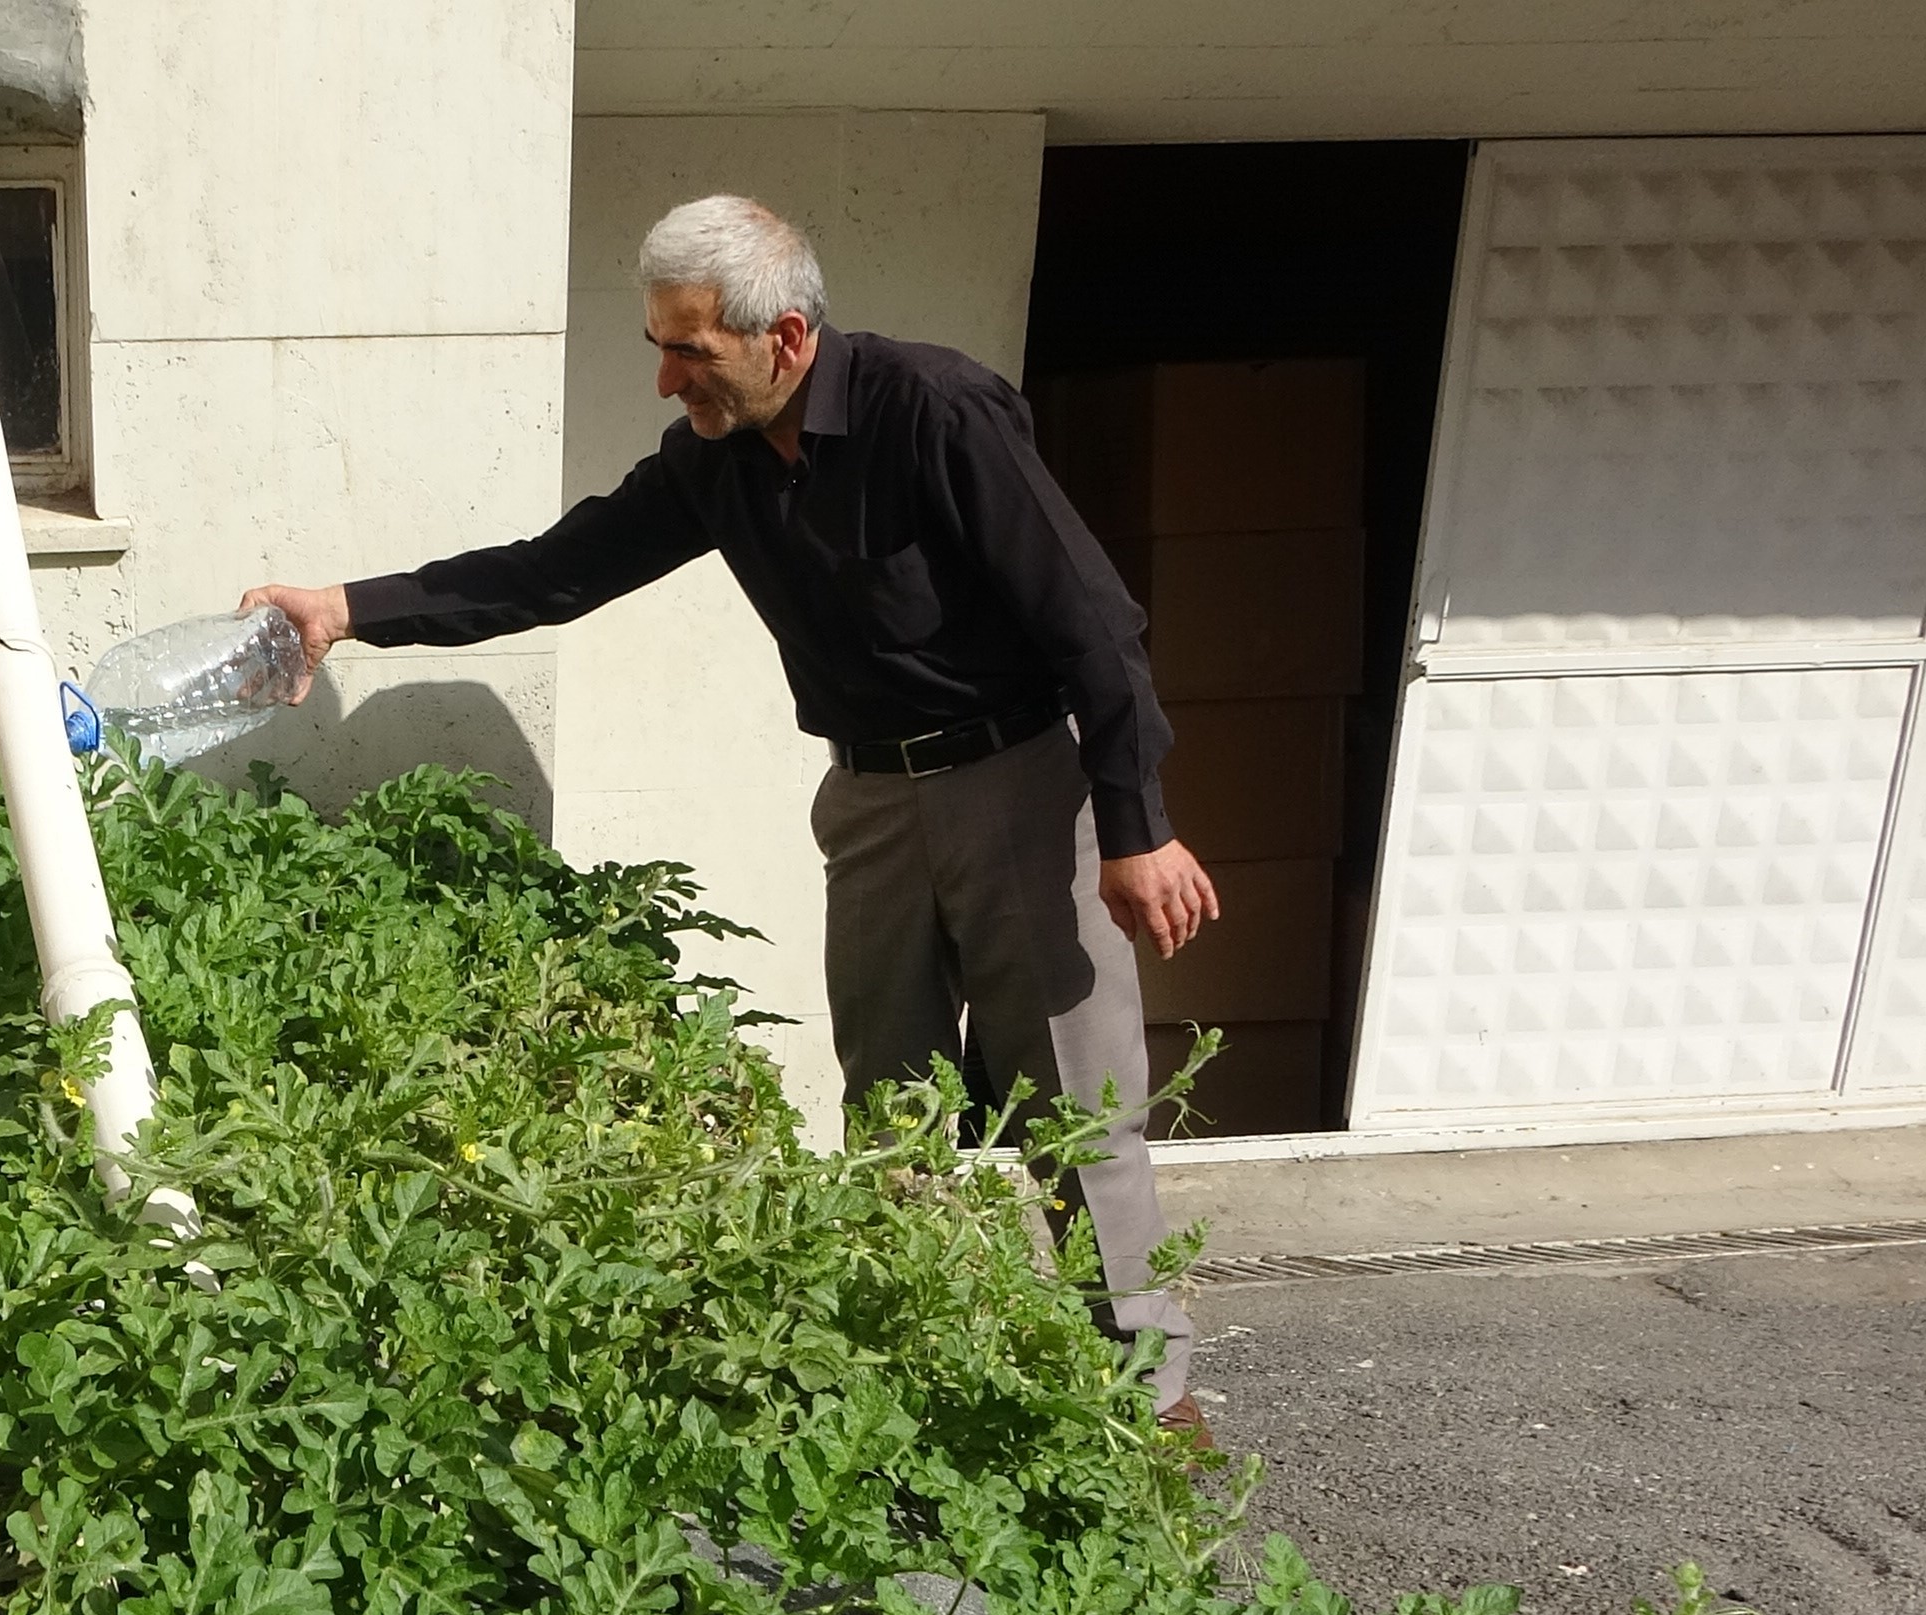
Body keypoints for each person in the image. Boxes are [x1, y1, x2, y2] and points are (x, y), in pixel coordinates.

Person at [242, 193, 1219, 1427]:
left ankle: (1149, 1402)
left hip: (1019, 787)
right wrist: (347, 603)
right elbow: (556, 572)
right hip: (867, 800)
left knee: (1077, 1110)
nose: (665, 378)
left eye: (689, 350)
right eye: (660, 344)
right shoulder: (711, 465)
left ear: (788, 339)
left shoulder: (938, 411)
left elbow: (1095, 622)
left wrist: (1138, 825)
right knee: (892, 1101)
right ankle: (900, 1375)